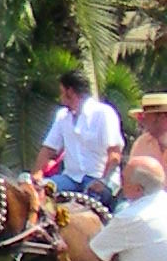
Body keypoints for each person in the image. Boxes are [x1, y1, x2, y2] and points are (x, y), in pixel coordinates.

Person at [37, 67, 126, 201]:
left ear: (70, 92)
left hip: (98, 178)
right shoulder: (62, 116)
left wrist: (103, 181)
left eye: (62, 93)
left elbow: (114, 154)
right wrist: (37, 173)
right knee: (42, 192)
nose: (60, 98)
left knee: (90, 205)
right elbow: (49, 149)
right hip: (70, 178)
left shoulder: (104, 113)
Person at [131, 94, 167, 185]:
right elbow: (132, 174)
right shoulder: (141, 142)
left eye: (143, 116)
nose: (140, 121)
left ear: (162, 117)